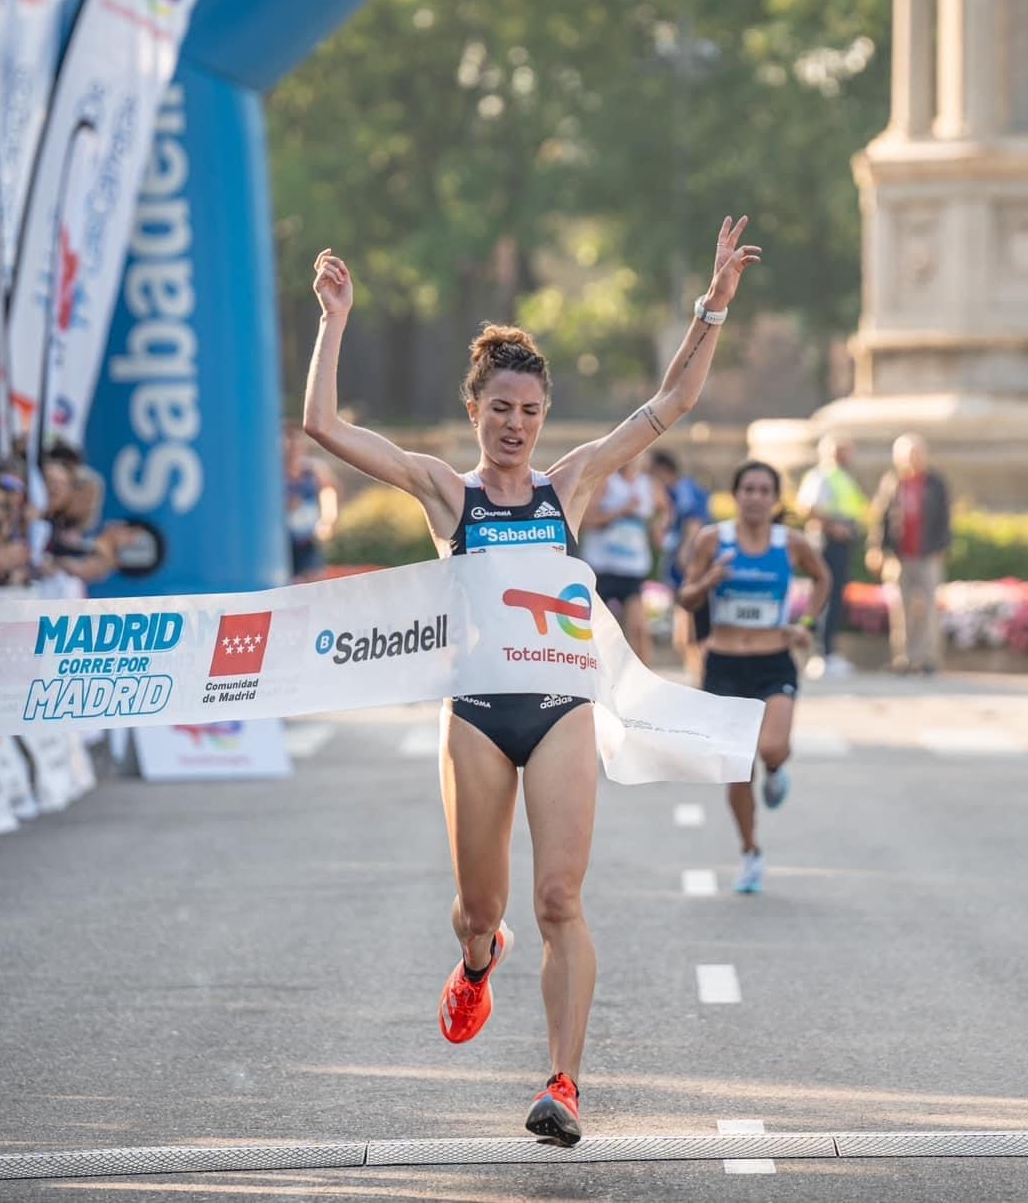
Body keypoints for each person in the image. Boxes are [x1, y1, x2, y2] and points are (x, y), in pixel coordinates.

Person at [301, 218, 758, 1145]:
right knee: (483, 910)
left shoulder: (571, 487)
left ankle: (566, 1084)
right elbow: (322, 426)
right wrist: (335, 319)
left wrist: (713, 303)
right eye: (502, 410)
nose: (517, 427)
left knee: (560, 898)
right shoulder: (445, 493)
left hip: (559, 713)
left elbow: (671, 402)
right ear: (476, 411)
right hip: (473, 715)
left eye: (531, 412)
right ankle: (477, 961)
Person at [677, 461, 830, 894]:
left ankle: (777, 769)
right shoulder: (713, 540)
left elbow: (822, 579)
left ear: (776, 499)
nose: (756, 497)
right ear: (735, 494)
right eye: (748, 489)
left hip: (773, 660)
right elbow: (685, 597)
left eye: (765, 490)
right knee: (737, 770)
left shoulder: (791, 543)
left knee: (772, 745)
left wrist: (808, 623)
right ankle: (750, 852)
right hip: (724, 665)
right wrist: (710, 579)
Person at [867, 434, 951, 675]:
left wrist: (942, 548)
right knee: (900, 608)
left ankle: (927, 657)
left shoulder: (935, 482)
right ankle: (903, 657)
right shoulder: (893, 482)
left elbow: (944, 518)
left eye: (916, 454)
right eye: (907, 455)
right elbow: (881, 517)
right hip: (900, 554)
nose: (912, 460)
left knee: (928, 608)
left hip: (928, 553)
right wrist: (877, 548)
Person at [794, 434, 869, 679]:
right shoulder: (821, 476)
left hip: (842, 543)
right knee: (826, 595)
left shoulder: (843, 477)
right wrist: (834, 527)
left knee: (836, 597)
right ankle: (821, 653)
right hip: (827, 542)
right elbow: (808, 508)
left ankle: (829, 651)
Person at [580, 457, 656, 665]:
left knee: (639, 629)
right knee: (597, 631)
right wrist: (620, 511)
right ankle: (595, 676)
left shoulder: (646, 483)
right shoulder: (606, 482)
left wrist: (661, 528)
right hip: (603, 568)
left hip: (633, 568)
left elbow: (665, 509)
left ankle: (644, 682)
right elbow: (585, 520)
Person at [649, 452, 712, 677]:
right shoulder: (671, 492)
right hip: (678, 559)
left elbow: (694, 522)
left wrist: (686, 553)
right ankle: (694, 669)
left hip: (690, 562)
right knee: (683, 617)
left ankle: (700, 670)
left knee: (691, 617)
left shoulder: (685, 489)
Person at [283, 422, 339, 580]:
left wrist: (328, 520)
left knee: (313, 579)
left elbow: (329, 491)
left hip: (307, 540)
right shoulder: (272, 472)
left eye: (295, 442)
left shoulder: (313, 469)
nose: (291, 447)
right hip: (283, 541)